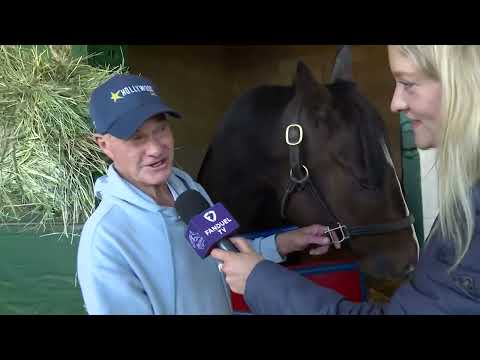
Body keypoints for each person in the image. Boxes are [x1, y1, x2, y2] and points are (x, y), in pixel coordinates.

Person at [211, 45, 480, 315]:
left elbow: (217, 257)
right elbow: (200, 257)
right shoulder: (189, 192)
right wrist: (281, 244)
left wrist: (263, 271)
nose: (395, 103)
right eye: (163, 128)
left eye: (408, 83)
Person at [76, 74, 331, 315]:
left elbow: (224, 255)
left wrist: (286, 242)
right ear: (104, 145)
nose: (155, 148)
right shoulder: (106, 239)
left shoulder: (190, 193)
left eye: (161, 130)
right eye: (137, 138)